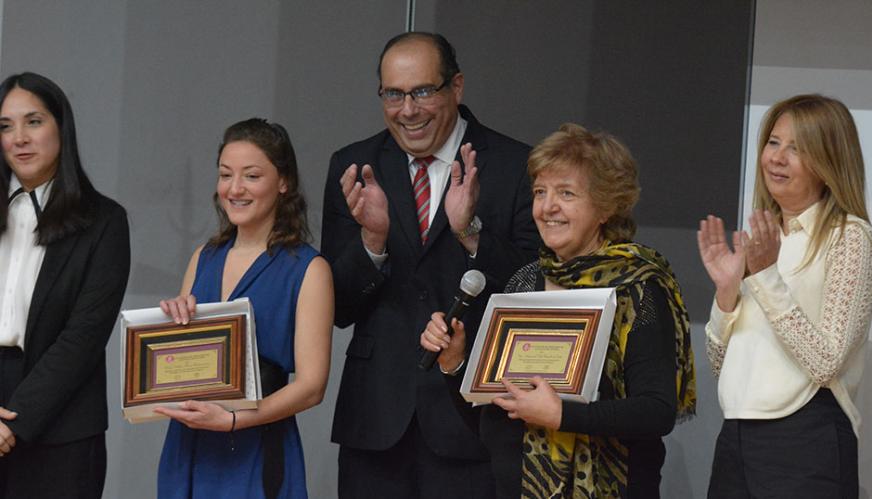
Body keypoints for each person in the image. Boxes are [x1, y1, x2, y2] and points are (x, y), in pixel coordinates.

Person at [421, 123, 697, 498]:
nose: (547, 207)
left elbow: (656, 412)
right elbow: (488, 422)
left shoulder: (638, 288)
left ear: (606, 205)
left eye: (566, 193)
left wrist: (561, 416)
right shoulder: (525, 281)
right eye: (539, 192)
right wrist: (455, 366)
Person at [321, 32, 539, 498]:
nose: (408, 110)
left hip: (473, 420)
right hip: (375, 421)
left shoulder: (515, 164)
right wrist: (372, 240)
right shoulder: (355, 165)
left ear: (456, 87)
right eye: (393, 94)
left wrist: (471, 231)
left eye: (422, 91)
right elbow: (336, 307)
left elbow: (532, 290)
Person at [697, 94, 872, 498]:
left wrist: (765, 276)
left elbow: (826, 361)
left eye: (797, 148)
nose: (777, 158)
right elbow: (719, 366)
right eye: (773, 142)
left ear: (829, 160)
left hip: (806, 438)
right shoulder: (763, 239)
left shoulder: (850, 237)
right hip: (735, 437)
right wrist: (726, 293)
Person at [156, 118, 333, 498]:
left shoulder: (308, 269)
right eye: (225, 175)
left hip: (257, 445)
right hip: (188, 443)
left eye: (251, 176)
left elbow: (312, 387)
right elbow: (174, 370)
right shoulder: (203, 256)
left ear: (283, 182)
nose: (234, 189)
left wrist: (234, 420)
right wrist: (168, 326)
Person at [0, 72, 130, 498]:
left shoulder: (104, 221)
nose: (19, 138)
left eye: (33, 121)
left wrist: (13, 418)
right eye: (5, 126)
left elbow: (84, 337)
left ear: (61, 128)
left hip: (64, 423)